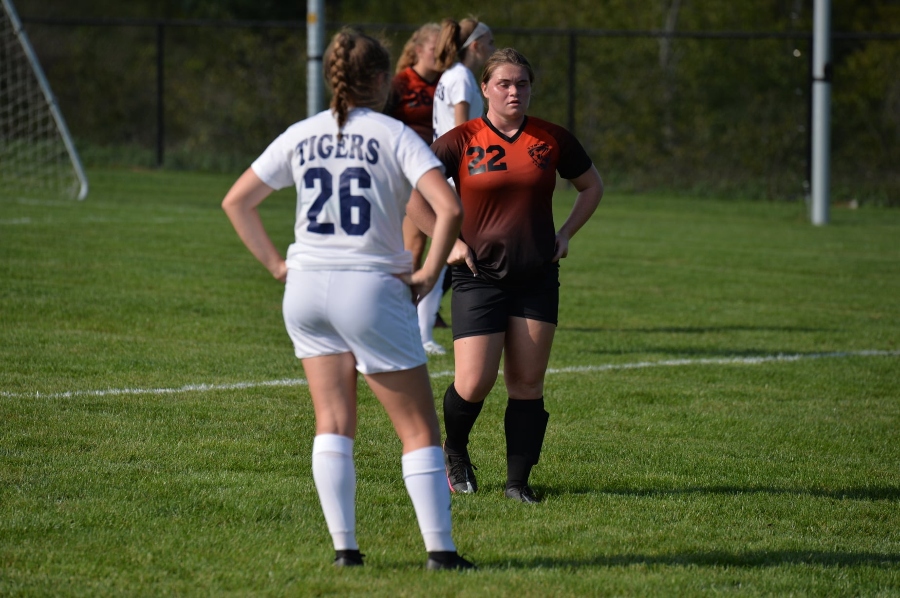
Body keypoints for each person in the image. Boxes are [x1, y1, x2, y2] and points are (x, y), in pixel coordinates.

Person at [221, 28, 474, 570]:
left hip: (307, 288)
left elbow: (237, 201)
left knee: (332, 422)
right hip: (369, 286)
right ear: (382, 80)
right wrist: (430, 271)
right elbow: (447, 209)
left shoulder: (302, 132)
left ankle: (345, 551)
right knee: (418, 430)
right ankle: (441, 553)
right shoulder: (392, 134)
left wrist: (277, 266)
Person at [406, 48, 604, 504]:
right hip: (479, 276)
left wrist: (567, 232)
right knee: (474, 381)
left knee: (527, 382)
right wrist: (449, 242)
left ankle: (518, 483)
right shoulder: (461, 139)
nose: (514, 92)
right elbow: (413, 194)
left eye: (522, 84)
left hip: (536, 274)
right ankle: (454, 451)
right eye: (504, 84)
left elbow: (591, 185)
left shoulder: (552, 138)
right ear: (485, 89)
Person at [415, 16, 496, 356]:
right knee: (445, 253)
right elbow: (463, 132)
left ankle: (421, 329)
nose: (493, 49)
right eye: (490, 43)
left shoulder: (450, 75)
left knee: (445, 252)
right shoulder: (462, 77)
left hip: (442, 171)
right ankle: (421, 333)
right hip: (453, 175)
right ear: (475, 45)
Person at [383, 23, 445, 334]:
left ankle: (424, 309)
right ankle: (405, 311)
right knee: (415, 245)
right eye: (436, 49)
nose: (441, 56)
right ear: (418, 50)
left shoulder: (449, 82)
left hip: (437, 172)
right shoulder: (401, 84)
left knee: (442, 241)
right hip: (407, 174)